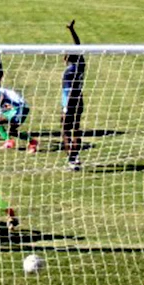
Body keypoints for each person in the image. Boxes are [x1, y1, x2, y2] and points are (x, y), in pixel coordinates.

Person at [61, 19, 86, 171]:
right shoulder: (81, 65)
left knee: (65, 130)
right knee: (76, 128)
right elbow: (78, 46)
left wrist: (65, 108)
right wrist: (71, 30)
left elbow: (68, 91)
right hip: (79, 99)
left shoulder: (70, 71)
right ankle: (76, 158)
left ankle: (71, 161)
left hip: (69, 100)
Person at [0, 87, 38, 153]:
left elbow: (1, 97)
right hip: (17, 109)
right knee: (10, 131)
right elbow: (4, 108)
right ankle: (32, 142)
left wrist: (0, 109)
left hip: (19, 108)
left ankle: (8, 141)